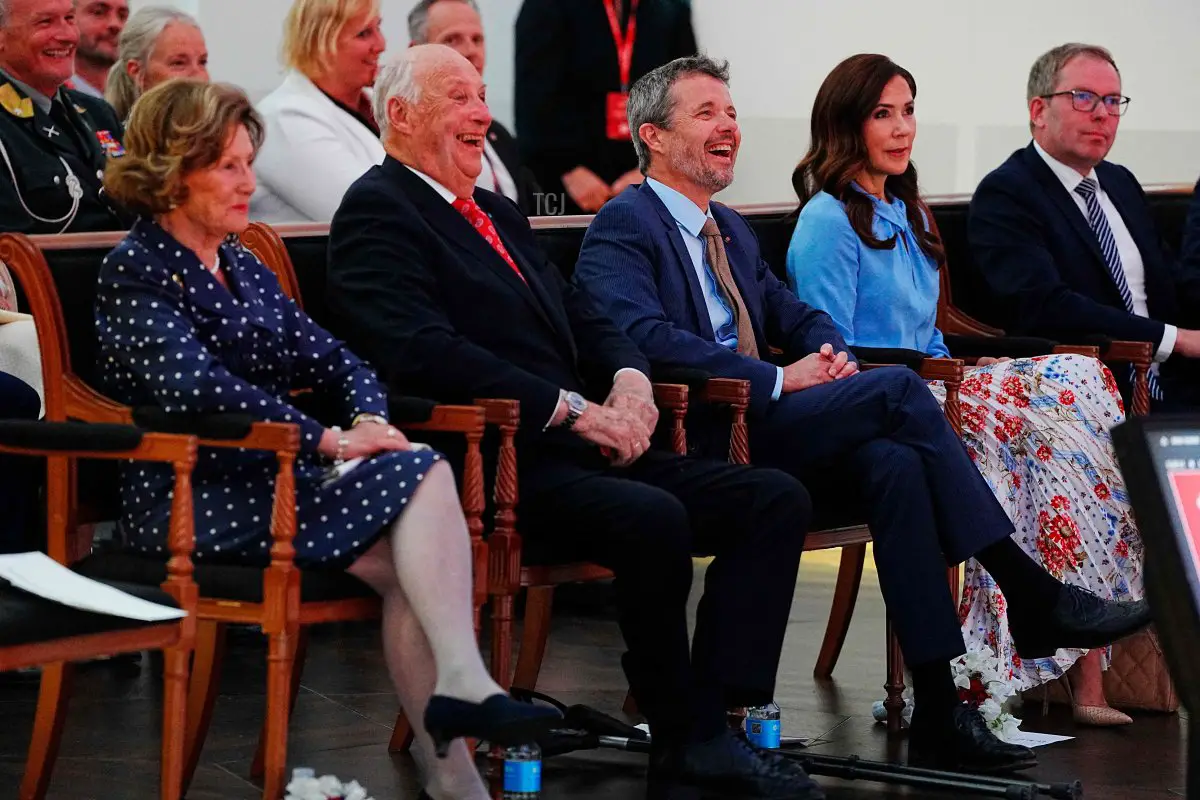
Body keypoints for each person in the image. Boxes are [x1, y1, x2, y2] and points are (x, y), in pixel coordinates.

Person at [572, 54, 1153, 773]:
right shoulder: (624, 225)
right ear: (653, 136)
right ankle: (1027, 589)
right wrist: (778, 378)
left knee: (896, 463)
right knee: (899, 393)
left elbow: (797, 310)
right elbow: (645, 337)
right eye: (706, 114)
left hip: (771, 422)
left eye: (730, 113)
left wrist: (827, 351)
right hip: (708, 431)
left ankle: (940, 705)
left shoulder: (727, 228)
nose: (728, 128)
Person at [328, 44, 825, 799]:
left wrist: (628, 381)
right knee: (652, 517)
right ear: (400, 114)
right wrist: (570, 411)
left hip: (581, 443)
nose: (482, 113)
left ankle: (712, 718)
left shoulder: (494, 209)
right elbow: (421, 351)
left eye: (482, 94)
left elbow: (583, 312)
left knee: (773, 498)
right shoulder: (377, 208)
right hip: (490, 458)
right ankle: (687, 734)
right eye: (458, 97)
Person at [95, 78, 558, 800]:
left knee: (413, 556)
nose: (250, 182)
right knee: (422, 479)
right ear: (170, 172)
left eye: (250, 162)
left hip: (280, 485)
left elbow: (338, 359)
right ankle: (461, 710)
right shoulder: (136, 269)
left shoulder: (244, 261)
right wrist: (329, 442)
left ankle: (455, 768)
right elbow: (197, 390)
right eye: (228, 167)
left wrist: (369, 419)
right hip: (189, 495)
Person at [784, 53, 1144, 727]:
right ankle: (1037, 617)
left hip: (943, 383)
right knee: (1051, 408)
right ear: (845, 125)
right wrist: (946, 376)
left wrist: (999, 360)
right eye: (882, 114)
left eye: (908, 111)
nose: (901, 129)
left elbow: (941, 328)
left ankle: (1069, 623)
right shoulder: (827, 221)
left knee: (1080, 377)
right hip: (885, 396)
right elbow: (826, 349)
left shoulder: (909, 210)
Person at [969, 43, 1200, 411]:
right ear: (1039, 110)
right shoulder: (1007, 193)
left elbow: (1172, 286)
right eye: (1084, 98)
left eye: (1112, 101)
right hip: (1086, 395)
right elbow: (1046, 307)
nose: (1101, 114)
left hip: (1176, 383)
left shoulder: (1120, 182)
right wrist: (1174, 339)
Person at [514, 0, 696, 215]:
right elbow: (532, 101)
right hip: (565, 185)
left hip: (651, 180)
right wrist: (568, 170)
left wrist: (653, 170)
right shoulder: (545, 7)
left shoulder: (671, 7)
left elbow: (687, 94)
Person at [0, 0, 130, 234]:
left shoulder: (99, 113)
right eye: (45, 22)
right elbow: (12, 250)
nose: (67, 35)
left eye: (70, 19)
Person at [251, 0, 386, 223]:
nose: (381, 44)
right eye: (364, 34)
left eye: (378, 28)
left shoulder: (377, 103)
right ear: (321, 43)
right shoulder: (285, 119)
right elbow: (366, 211)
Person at [407, 0, 541, 215]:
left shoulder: (498, 135)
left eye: (477, 39)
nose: (471, 51)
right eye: (452, 40)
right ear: (416, 52)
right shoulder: (410, 141)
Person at [105, 5, 208, 121]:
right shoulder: (114, 136)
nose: (199, 77)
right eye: (179, 63)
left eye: (202, 62)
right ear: (136, 71)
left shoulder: (221, 134)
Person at [69, 0, 127, 98]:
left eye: (122, 16)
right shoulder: (47, 100)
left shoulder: (136, 99)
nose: (115, 24)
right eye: (98, 12)